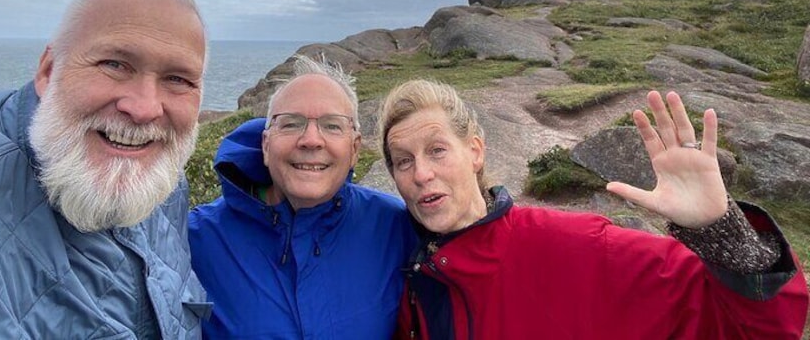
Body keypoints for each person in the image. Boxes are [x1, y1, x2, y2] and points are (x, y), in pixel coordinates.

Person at [378, 79, 810, 339]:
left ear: (475, 152)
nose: (421, 174)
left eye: (437, 151)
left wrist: (722, 232)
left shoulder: (580, 246)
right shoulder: (411, 270)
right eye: (403, 161)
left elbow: (759, 330)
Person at [0, 0, 210, 338]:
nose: (143, 109)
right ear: (48, 71)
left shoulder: (166, 180)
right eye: (114, 64)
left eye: (178, 80)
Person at [189, 55, 417, 338]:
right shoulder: (196, 240)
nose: (311, 139)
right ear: (266, 144)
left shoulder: (396, 227)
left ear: (355, 149)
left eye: (332, 125)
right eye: (291, 123)